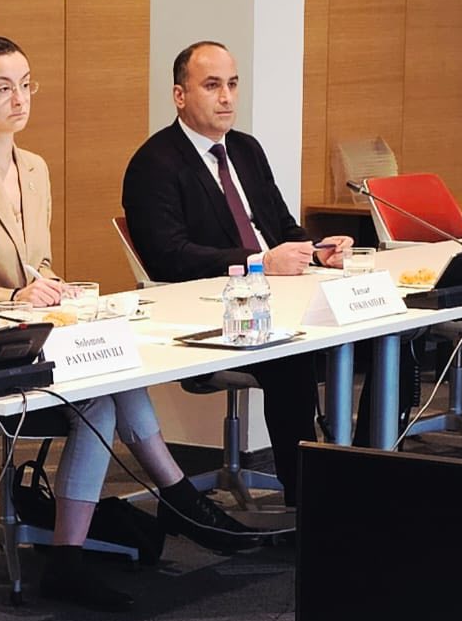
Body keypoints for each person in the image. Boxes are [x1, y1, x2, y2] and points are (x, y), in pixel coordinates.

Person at [0, 36, 261, 612]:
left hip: (39, 333)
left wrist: (57, 287)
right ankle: (151, 512)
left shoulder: (34, 168)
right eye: (3, 88)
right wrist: (12, 297)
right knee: (97, 402)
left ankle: (155, 510)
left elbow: (38, 265)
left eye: (26, 85)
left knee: (117, 367)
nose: (19, 99)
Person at [122, 41, 354, 504]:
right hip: (214, 313)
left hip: (280, 296)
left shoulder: (246, 149)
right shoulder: (154, 164)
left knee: (387, 334)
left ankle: (372, 465)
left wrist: (316, 249)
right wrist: (258, 262)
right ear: (179, 95)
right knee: (292, 357)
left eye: (232, 84)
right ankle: (306, 499)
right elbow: (171, 257)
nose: (226, 97)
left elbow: (281, 226)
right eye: (212, 86)